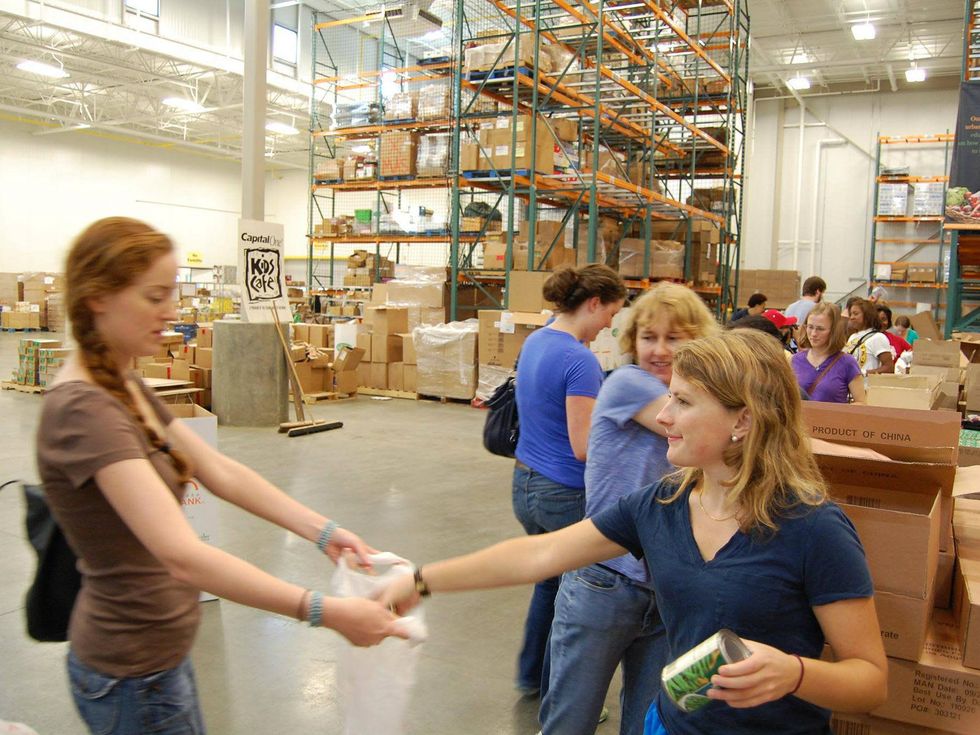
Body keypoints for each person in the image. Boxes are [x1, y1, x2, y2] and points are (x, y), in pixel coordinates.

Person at [381, 329, 888, 735]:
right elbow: (541, 555)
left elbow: (870, 681)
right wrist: (421, 580)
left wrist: (795, 674)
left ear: (743, 421)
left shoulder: (814, 528)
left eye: (683, 402)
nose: (664, 416)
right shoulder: (661, 505)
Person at [37, 218, 405, 735]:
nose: (171, 311)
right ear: (98, 298)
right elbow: (182, 555)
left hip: (157, 661)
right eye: (154, 296)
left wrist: (323, 532)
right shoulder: (85, 411)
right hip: (132, 676)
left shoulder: (122, 384)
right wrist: (324, 611)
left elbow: (219, 471)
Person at [540, 283, 719, 735]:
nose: (659, 350)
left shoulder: (695, 400)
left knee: (647, 721)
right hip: (605, 580)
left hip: (664, 586)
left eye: (674, 338)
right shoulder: (629, 385)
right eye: (648, 337)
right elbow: (714, 432)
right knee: (570, 720)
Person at [512, 263, 627, 697]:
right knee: (575, 598)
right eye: (610, 313)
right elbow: (583, 447)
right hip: (562, 493)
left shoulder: (537, 339)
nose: (609, 325)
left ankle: (531, 676)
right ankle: (560, 693)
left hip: (525, 484)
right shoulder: (579, 360)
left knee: (549, 585)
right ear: (594, 303)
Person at [792, 302, 865, 404]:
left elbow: (861, 403)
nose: (813, 333)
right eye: (810, 327)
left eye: (820, 329)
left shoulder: (847, 362)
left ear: (834, 331)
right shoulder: (794, 360)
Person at [846, 298, 894, 375]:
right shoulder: (852, 337)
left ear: (867, 315)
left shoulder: (878, 337)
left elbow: (889, 368)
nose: (852, 317)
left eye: (856, 314)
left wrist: (864, 373)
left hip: (867, 382)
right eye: (850, 314)